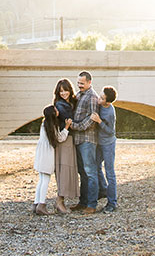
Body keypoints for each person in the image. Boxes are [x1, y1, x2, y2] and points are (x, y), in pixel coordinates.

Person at [70, 71, 102, 214]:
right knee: (82, 172)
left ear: (89, 82)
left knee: (90, 172)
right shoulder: (79, 95)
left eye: (82, 83)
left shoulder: (92, 97)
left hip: (87, 140)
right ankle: (83, 202)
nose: (79, 85)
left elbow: (91, 121)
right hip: (78, 139)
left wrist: (73, 126)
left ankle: (92, 204)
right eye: (78, 83)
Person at [33, 102, 68, 215]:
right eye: (56, 110)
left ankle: (36, 203)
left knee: (41, 179)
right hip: (47, 154)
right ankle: (41, 204)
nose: (58, 111)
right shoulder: (53, 126)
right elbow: (60, 138)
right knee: (45, 180)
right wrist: (66, 127)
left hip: (40, 153)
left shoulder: (44, 124)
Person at [51, 78, 79, 214]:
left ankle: (62, 200)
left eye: (65, 90)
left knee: (67, 169)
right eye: (61, 91)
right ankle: (59, 201)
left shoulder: (70, 103)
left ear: (70, 90)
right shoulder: (61, 105)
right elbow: (71, 120)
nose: (63, 93)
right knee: (64, 169)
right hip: (64, 140)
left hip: (69, 138)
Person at [91, 85, 119, 213]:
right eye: (100, 96)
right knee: (96, 166)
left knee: (110, 172)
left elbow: (110, 131)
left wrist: (99, 121)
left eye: (102, 98)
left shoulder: (110, 112)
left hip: (108, 144)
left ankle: (112, 203)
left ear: (107, 102)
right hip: (99, 142)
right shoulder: (99, 104)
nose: (99, 99)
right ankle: (102, 189)